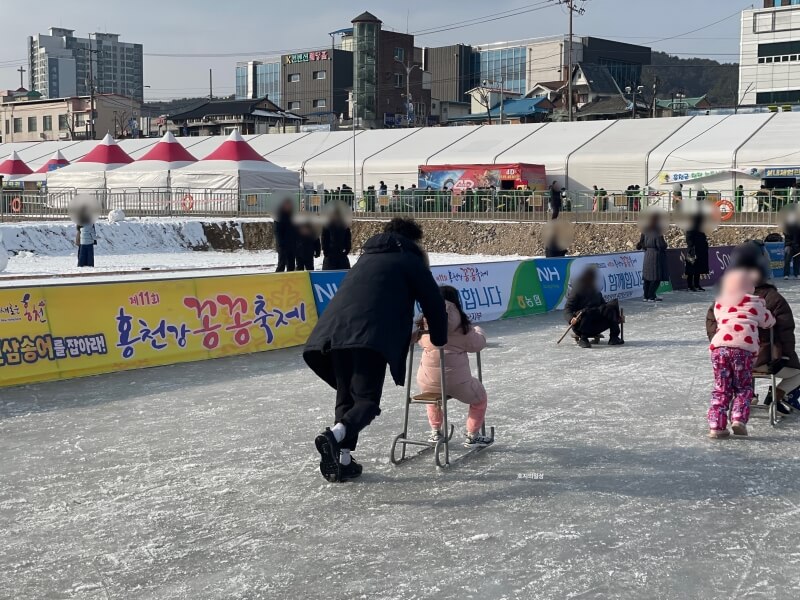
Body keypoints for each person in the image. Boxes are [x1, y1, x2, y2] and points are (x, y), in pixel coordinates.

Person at [305, 218, 448, 482]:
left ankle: (343, 460)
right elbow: (433, 301)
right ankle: (333, 436)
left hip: (334, 334)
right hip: (369, 337)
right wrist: (439, 338)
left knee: (346, 399)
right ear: (413, 239)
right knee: (366, 402)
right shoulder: (410, 259)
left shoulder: (366, 259)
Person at [707, 240, 800, 415]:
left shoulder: (723, 299)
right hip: (764, 361)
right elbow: (785, 332)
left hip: (728, 359)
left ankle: (745, 398)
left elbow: (712, 325)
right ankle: (776, 396)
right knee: (797, 373)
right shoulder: (773, 298)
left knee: (738, 368)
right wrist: (786, 357)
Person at [417, 285, 492, 447]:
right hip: (457, 383)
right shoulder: (460, 326)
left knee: (433, 398)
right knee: (480, 397)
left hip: (428, 381)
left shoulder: (424, 323)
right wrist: (479, 331)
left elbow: (419, 341)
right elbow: (477, 344)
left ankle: (436, 431)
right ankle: (472, 435)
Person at [707, 269, 775, 438]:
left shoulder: (720, 302)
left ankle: (716, 426)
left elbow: (718, 318)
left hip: (719, 348)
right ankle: (738, 419)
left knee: (721, 388)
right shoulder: (755, 302)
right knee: (743, 387)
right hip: (743, 348)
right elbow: (767, 321)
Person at [564, 266, 625, 348]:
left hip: (596, 325)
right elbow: (567, 308)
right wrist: (571, 318)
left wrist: (616, 316)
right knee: (587, 312)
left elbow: (604, 307)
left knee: (610, 307)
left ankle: (614, 337)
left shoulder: (596, 292)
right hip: (581, 326)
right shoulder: (576, 291)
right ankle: (583, 339)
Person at [637, 212, 669, 302]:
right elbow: (660, 244)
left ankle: (646, 296)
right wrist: (665, 245)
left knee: (647, 277)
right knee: (656, 277)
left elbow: (641, 243)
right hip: (656, 256)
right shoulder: (657, 231)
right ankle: (651, 296)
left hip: (647, 255)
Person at [321, 205, 352, 270]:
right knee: (329, 273)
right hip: (330, 254)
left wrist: (347, 249)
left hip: (341, 254)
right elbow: (324, 239)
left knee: (343, 272)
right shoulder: (327, 225)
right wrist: (325, 251)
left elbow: (347, 239)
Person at [685, 213, 709, 291]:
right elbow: (689, 240)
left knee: (697, 269)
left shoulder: (700, 229)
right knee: (691, 269)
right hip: (693, 252)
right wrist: (693, 248)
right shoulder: (691, 229)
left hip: (699, 252)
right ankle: (690, 285)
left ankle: (696, 284)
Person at [273, 199, 297, 273]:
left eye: (290, 205)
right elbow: (277, 232)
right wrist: (280, 244)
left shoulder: (293, 216)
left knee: (291, 265)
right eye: (287, 205)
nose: (288, 207)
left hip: (292, 245)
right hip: (283, 245)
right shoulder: (279, 217)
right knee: (281, 264)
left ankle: (291, 278)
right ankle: (278, 278)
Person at [783, 212, 800, 280]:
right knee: (787, 260)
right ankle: (786, 274)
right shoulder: (786, 226)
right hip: (789, 245)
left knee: (797, 260)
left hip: (797, 246)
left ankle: (797, 274)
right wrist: (792, 243)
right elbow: (787, 235)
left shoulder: (798, 226)